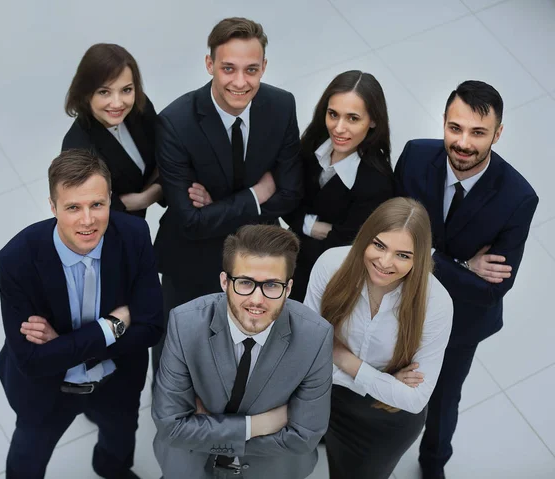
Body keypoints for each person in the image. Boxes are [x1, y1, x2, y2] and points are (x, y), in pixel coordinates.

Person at [394, 80, 538, 479]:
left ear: (498, 133)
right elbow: (387, 232)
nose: (463, 143)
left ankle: (433, 462)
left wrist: (421, 257)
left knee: (443, 397)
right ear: (443, 121)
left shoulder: (518, 197)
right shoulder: (414, 155)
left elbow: (492, 289)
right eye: (455, 128)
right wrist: (457, 262)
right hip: (398, 295)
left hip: (462, 320)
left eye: (478, 133)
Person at [0, 150, 163, 479]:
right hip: (47, 392)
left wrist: (63, 345)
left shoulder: (133, 236)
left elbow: (152, 327)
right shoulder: (16, 259)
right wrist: (110, 327)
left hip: (117, 380)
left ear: (110, 200)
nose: (87, 220)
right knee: (26, 460)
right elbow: (32, 360)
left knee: (118, 441)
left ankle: (109, 468)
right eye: (73, 207)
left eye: (97, 205)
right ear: (53, 206)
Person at [151, 17, 302, 371]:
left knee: (246, 348)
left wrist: (217, 208)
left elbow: (291, 193)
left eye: (251, 69)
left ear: (264, 66)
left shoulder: (281, 106)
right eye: (228, 68)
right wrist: (256, 195)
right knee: (176, 350)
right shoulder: (175, 122)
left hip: (257, 258)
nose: (240, 82)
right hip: (190, 261)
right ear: (209, 65)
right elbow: (190, 222)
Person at [152, 225, 333, 479]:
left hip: (272, 470)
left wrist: (203, 430)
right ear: (224, 282)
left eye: (271, 285)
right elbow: (171, 427)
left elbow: (304, 437)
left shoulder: (315, 336)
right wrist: (256, 426)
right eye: (245, 282)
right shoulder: (185, 323)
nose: (257, 300)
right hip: (190, 468)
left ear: (289, 288)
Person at [304, 197, 453, 479]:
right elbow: (307, 350)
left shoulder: (436, 304)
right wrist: (385, 381)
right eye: (379, 245)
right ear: (365, 237)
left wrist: (342, 357)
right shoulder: (331, 264)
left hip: (384, 419)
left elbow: (414, 399)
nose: (385, 263)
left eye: (403, 255)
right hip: (324, 395)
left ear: (419, 258)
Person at [284, 70, 395, 302]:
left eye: (353, 118)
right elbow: (286, 201)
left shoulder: (378, 181)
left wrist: (302, 222)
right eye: (333, 114)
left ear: (373, 120)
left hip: (327, 279)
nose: (338, 128)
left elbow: (346, 244)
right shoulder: (314, 142)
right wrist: (316, 227)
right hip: (288, 259)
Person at [63, 43, 162, 218]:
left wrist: (147, 197)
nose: (117, 103)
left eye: (126, 90)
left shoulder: (140, 106)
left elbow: (169, 151)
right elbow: (95, 212)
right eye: (104, 92)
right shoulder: (76, 149)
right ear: (86, 93)